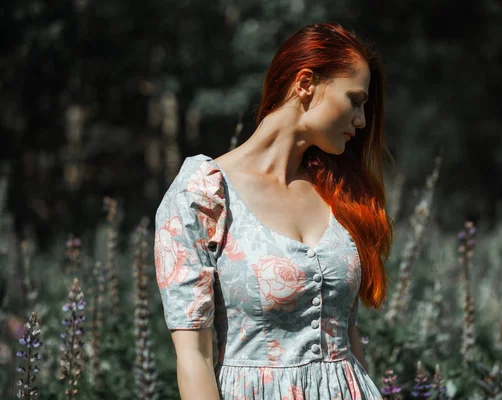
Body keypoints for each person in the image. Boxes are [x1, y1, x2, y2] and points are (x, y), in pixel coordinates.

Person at [154, 22, 395, 399]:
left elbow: (347, 338)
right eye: (355, 100)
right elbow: (194, 360)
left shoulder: (338, 192)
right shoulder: (202, 195)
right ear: (305, 83)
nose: (361, 120)